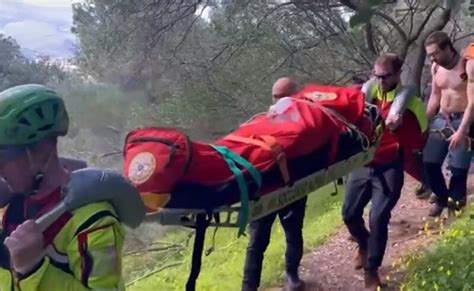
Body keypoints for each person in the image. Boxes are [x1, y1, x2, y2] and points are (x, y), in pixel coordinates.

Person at [0, 84, 125, 290]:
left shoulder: (94, 219)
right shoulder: (17, 200)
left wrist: (33, 268)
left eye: (2, 157)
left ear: (42, 148)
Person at [342, 53, 427, 290]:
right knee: (349, 214)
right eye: (376, 76)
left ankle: (372, 270)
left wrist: (402, 128)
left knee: (378, 217)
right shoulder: (365, 97)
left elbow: (421, 138)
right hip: (363, 164)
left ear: (398, 74)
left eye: (386, 76)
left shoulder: (412, 103)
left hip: (390, 166)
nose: (380, 81)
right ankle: (363, 243)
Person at [242, 77, 307, 291]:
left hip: (292, 185)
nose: (278, 101)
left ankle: (292, 275)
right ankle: (249, 287)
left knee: (293, 231)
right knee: (257, 241)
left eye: (283, 96)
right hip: (264, 189)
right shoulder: (262, 121)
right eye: (275, 97)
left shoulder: (304, 122)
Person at [423, 31, 474, 217]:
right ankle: (442, 197)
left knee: (458, 170)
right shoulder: (435, 68)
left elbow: (472, 102)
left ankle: (456, 211)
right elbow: (435, 96)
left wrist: (462, 131)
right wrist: (424, 122)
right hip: (442, 119)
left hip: (465, 120)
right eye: (429, 54)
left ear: (447, 47)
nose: (432, 58)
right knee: (429, 163)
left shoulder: (467, 66)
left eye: (435, 53)